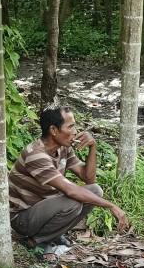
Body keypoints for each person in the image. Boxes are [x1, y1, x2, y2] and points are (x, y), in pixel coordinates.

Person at [9, 104, 129, 258]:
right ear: (53, 130)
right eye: (70, 127)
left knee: (95, 190)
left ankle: (53, 234)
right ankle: (37, 241)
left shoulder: (63, 148)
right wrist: (110, 205)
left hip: (45, 210)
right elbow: (70, 190)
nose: (76, 132)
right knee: (73, 201)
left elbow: (88, 178)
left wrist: (93, 146)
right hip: (22, 218)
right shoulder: (36, 155)